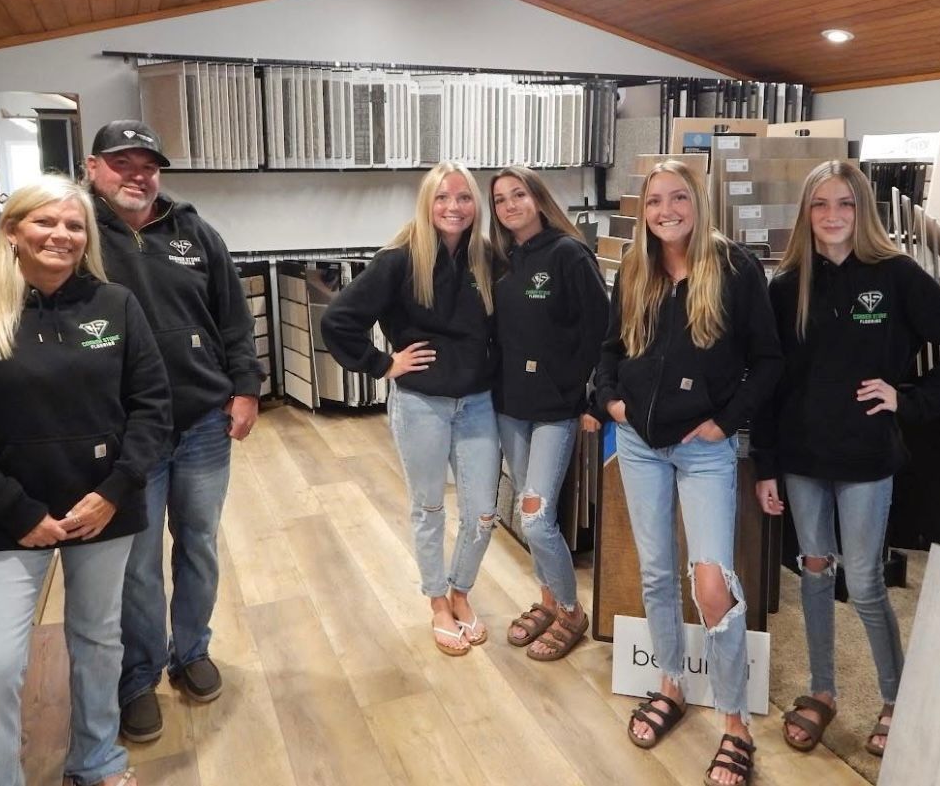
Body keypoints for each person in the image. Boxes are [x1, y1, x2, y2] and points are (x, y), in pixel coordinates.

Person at [0, 120, 263, 743]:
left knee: (200, 546)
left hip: (201, 425)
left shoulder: (193, 231)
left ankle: (192, 649)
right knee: (135, 567)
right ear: (94, 167)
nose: (137, 174)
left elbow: (231, 316)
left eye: (147, 164)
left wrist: (245, 387)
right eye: (122, 162)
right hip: (131, 435)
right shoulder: (66, 226)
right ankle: (136, 677)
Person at [0, 177, 171, 786]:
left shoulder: (115, 306)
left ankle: (97, 758)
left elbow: (150, 407)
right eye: (44, 222)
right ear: (12, 231)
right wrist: (15, 511)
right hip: (6, 517)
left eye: (74, 225)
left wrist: (114, 491)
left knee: (98, 639)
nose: (60, 235)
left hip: (103, 510)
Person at [751, 160, 940, 758]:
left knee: (861, 581)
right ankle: (823, 689)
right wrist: (766, 464)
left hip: (865, 458)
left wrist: (909, 399)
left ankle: (894, 694)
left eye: (845, 205)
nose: (832, 217)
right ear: (806, 215)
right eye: (820, 206)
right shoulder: (787, 286)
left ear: (863, 211)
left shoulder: (897, 276)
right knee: (813, 570)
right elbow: (770, 384)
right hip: (803, 460)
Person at [594, 160, 782, 786]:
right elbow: (610, 349)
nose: (666, 210)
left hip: (704, 449)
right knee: (655, 572)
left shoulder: (734, 269)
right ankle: (670, 685)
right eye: (654, 201)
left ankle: (734, 722)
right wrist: (611, 401)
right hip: (640, 443)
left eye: (678, 198)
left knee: (711, 585)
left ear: (699, 204)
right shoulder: (635, 268)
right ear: (642, 210)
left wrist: (726, 422)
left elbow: (768, 360)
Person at [321, 161, 500, 656]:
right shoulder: (398, 260)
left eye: (464, 197)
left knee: (483, 512)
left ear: (475, 205)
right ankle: (438, 601)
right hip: (421, 404)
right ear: (427, 204)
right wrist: (382, 364)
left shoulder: (487, 259)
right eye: (443, 198)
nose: (453, 207)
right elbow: (339, 320)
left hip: (478, 404)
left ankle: (461, 590)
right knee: (429, 507)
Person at [488, 166, 608, 660]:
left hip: (556, 409)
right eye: (499, 199)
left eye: (519, 194)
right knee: (529, 510)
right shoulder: (500, 259)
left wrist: (589, 398)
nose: (510, 205)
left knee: (536, 519)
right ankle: (547, 601)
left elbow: (603, 330)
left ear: (538, 198)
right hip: (510, 406)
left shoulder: (568, 254)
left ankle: (571, 611)